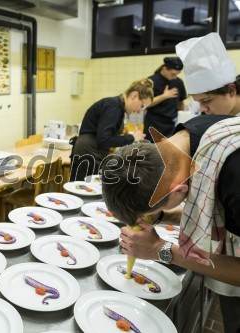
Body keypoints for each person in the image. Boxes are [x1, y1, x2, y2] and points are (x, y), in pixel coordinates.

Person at [101, 33, 240, 333]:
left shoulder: (233, 171)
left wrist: (164, 250)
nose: (203, 107)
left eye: (207, 100)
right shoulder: (191, 134)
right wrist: (162, 214)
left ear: (180, 190)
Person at [69, 78, 152, 181]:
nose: (140, 111)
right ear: (134, 96)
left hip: (93, 151)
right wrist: (132, 138)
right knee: (83, 190)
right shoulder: (114, 107)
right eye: (142, 106)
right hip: (88, 153)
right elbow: (104, 139)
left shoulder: (117, 107)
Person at [143, 57, 187, 142]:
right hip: (154, 123)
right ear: (164, 69)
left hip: (171, 123)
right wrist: (164, 96)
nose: (175, 77)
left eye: (177, 75)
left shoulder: (178, 82)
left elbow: (181, 102)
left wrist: (182, 119)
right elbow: (146, 103)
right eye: (173, 74)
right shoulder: (151, 81)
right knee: (153, 151)